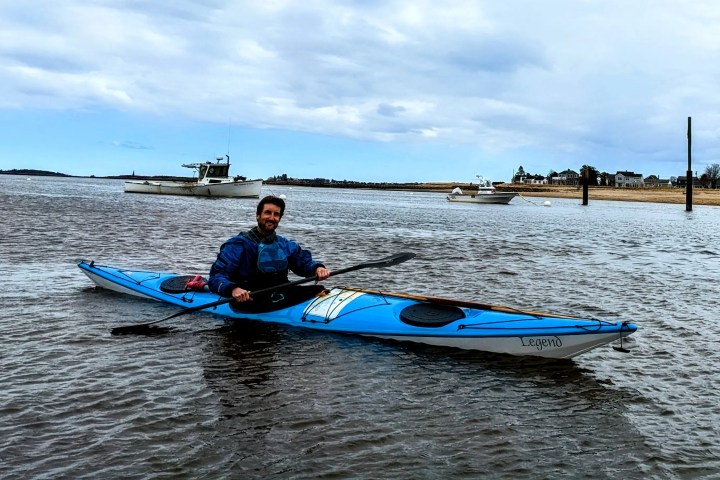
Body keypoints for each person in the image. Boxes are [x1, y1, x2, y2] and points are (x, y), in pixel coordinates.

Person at [208, 195, 330, 311]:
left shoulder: (284, 244)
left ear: (280, 219)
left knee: (318, 289)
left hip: (280, 292)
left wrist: (317, 268)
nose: (272, 218)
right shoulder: (237, 245)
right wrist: (233, 289)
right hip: (250, 297)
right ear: (258, 215)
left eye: (276, 214)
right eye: (267, 212)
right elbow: (216, 276)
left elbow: (304, 263)